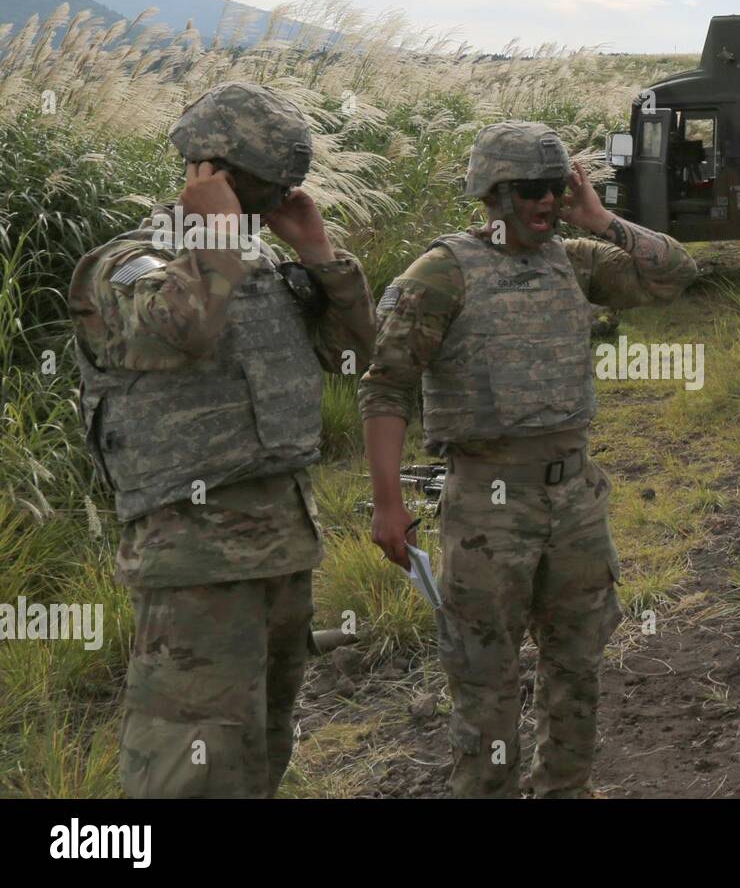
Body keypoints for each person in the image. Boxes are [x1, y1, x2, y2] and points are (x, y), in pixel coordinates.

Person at [358, 121, 698, 797]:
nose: (546, 202)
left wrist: (600, 218)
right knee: (486, 679)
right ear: (494, 193)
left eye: (555, 187)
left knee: (577, 667)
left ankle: (565, 789)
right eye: (531, 190)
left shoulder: (571, 260)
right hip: (489, 504)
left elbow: (674, 276)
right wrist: (388, 503)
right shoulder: (443, 272)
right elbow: (387, 384)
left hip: (574, 498)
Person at [69, 81, 376, 797]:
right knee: (191, 768)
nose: (269, 209)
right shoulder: (123, 266)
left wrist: (320, 254)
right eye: (260, 192)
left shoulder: (258, 266)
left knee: (263, 753)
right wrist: (216, 237)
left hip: (283, 549)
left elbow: (359, 355)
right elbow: (185, 328)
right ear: (211, 174)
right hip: (194, 565)